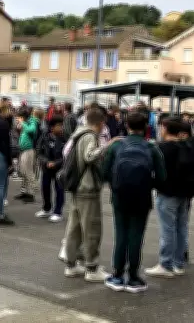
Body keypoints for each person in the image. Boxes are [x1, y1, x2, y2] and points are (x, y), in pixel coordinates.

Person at [102, 111, 166, 293]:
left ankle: (117, 274)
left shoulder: (116, 147)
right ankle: (134, 277)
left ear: (126, 126)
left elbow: (104, 172)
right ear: (146, 127)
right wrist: (147, 185)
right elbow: (161, 178)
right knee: (136, 235)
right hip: (142, 197)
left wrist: (115, 185)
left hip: (120, 196)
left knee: (121, 234)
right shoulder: (152, 149)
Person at [146, 117, 194, 279]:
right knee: (181, 227)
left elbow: (154, 171)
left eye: (161, 127)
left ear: (165, 129)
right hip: (186, 193)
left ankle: (165, 263)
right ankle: (178, 263)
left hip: (167, 193)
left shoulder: (162, 148)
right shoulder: (188, 145)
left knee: (167, 229)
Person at [62, 108, 113, 282]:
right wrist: (107, 146)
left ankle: (71, 264)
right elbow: (89, 156)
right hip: (87, 188)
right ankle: (92, 267)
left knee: (74, 228)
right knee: (92, 229)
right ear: (101, 123)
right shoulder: (90, 136)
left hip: (76, 187)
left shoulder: (77, 134)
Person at [37, 115, 67, 222]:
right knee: (45, 187)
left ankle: (57, 212)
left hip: (59, 169)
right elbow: (39, 152)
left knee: (59, 190)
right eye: (59, 126)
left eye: (62, 125)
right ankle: (47, 208)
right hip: (46, 168)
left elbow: (67, 155)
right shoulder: (44, 137)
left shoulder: (65, 138)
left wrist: (56, 163)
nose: (61, 128)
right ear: (52, 127)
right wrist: (46, 162)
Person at [15, 108, 39, 203]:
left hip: (29, 150)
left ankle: (32, 193)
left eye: (19, 117)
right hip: (23, 150)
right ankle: (24, 191)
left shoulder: (32, 122)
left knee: (28, 171)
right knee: (22, 171)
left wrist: (23, 123)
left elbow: (31, 130)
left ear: (23, 117)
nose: (18, 119)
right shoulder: (26, 122)